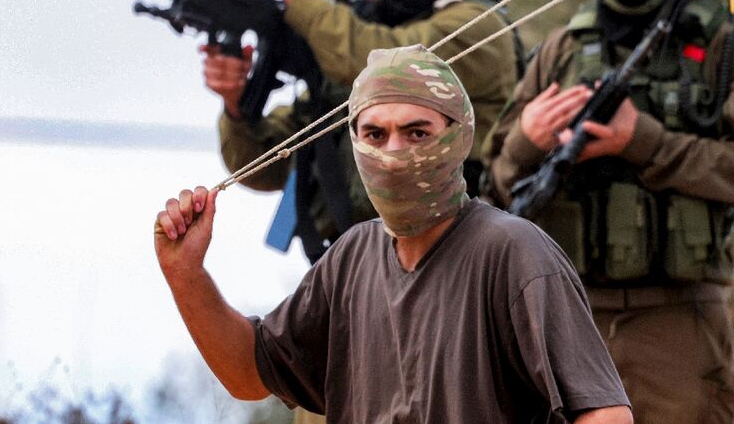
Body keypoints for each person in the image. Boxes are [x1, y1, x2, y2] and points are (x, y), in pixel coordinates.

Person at [155, 45, 632, 424]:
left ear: (459, 136)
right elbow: (248, 374)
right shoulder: (351, 258)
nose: (394, 153)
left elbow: (604, 413)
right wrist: (186, 275)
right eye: (375, 135)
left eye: (417, 133)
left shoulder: (512, 252)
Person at [482, 0, 734, 424]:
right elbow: (494, 193)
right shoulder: (557, 53)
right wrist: (526, 143)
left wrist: (644, 143)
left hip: (679, 325)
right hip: (564, 321)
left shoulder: (725, 49)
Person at [202, 0, 519, 264]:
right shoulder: (353, 58)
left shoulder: (476, 26)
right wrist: (235, 105)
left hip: (456, 266)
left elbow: (384, 61)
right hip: (358, 275)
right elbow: (260, 167)